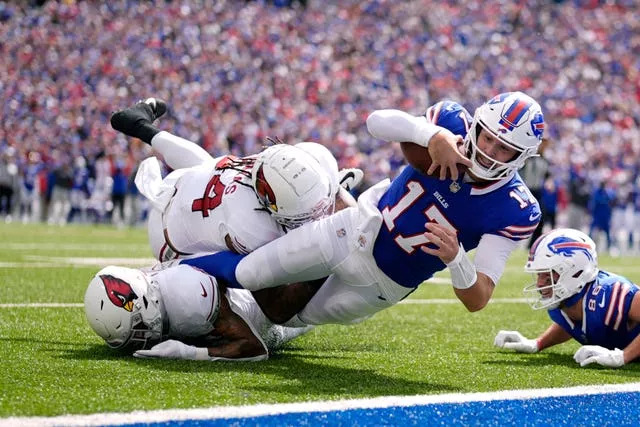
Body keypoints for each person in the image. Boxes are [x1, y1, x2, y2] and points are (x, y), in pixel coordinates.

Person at [181, 92, 545, 327]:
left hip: (381, 284)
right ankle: (172, 270)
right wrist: (431, 136)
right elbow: (376, 123)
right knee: (250, 273)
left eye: (504, 150)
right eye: (487, 138)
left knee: (287, 318)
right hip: (352, 229)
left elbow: (477, 299)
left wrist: (456, 259)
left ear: (521, 158)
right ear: (477, 125)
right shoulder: (451, 123)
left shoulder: (515, 208)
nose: (489, 151)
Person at [110, 98, 361, 262]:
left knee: (209, 164)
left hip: (186, 182)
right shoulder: (253, 227)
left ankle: (140, 125)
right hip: (170, 242)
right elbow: (235, 272)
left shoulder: (270, 163)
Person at [83, 263, 315, 361]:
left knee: (333, 306)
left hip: (264, 316)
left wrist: (187, 352)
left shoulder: (190, 296)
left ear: (147, 303)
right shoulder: (148, 287)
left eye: (138, 328)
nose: (139, 341)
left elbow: (255, 348)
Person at [494, 228, 640, 368]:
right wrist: (537, 343)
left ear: (575, 272)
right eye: (539, 274)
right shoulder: (564, 303)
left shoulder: (611, 293)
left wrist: (623, 356)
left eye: (548, 274)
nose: (539, 284)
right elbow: (572, 325)